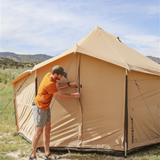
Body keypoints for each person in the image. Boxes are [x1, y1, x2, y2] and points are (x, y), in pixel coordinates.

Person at [29, 65, 80, 160]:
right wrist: (74, 95)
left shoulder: (49, 75)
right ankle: (32, 155)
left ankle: (47, 153)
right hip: (39, 107)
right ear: (56, 74)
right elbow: (60, 96)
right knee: (38, 132)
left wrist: (69, 84)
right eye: (61, 76)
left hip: (46, 106)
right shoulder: (49, 83)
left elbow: (57, 86)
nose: (61, 78)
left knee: (47, 130)